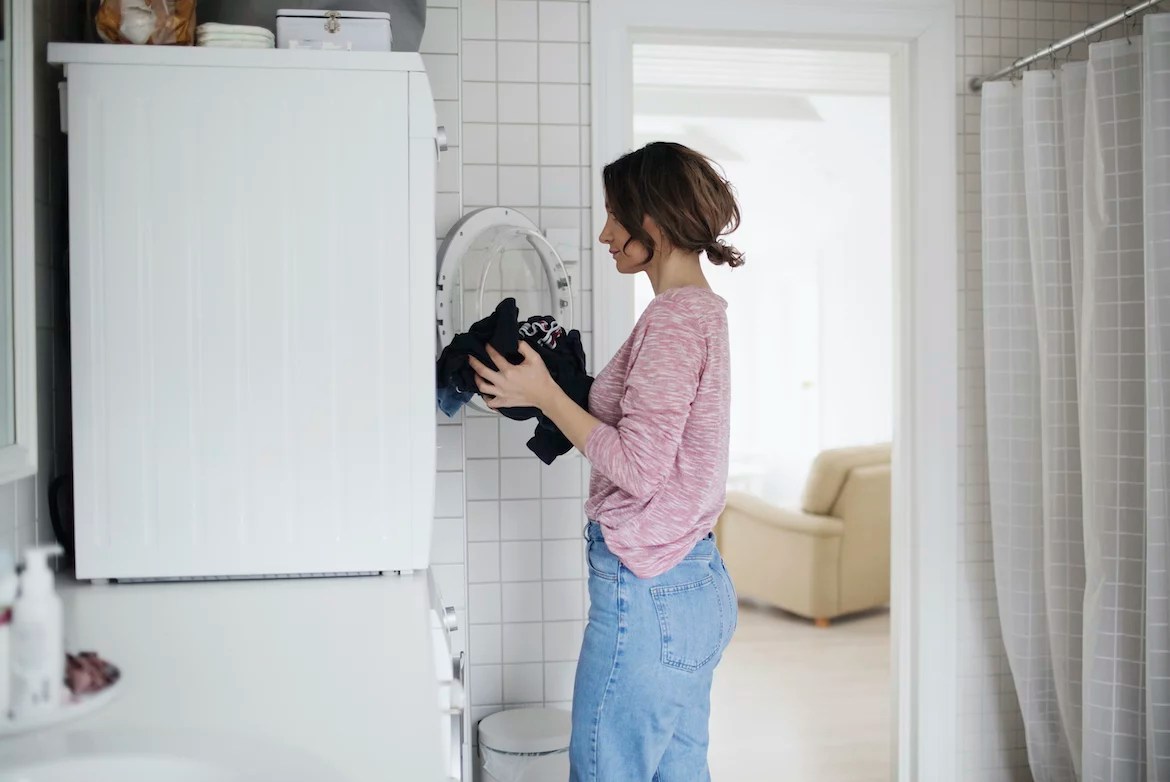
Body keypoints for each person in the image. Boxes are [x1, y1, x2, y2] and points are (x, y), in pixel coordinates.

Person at [469, 141, 742, 781]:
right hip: (694, 581)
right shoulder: (702, 314)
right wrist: (555, 388)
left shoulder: (673, 322)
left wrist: (542, 394)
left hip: (649, 592)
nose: (604, 232)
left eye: (616, 216)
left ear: (656, 223)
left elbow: (641, 467)